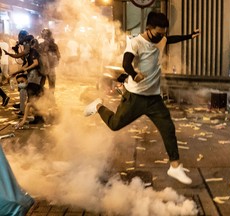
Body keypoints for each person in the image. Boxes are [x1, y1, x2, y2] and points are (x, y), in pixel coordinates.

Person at [84, 11, 200, 185]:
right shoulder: (136, 43)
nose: (161, 37)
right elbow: (126, 63)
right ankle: (99, 106)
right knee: (115, 124)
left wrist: (190, 36)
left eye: (163, 33)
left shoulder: (160, 39)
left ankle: (175, 166)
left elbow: (171, 39)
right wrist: (133, 74)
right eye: (158, 33)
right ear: (149, 28)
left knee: (168, 128)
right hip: (135, 97)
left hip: (154, 99)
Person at [38, 28, 61, 93]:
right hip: (52, 69)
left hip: (43, 68)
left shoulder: (41, 45)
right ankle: (51, 99)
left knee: (40, 85)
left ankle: (43, 99)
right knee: (52, 86)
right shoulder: (54, 45)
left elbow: (38, 57)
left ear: (43, 36)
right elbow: (58, 56)